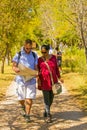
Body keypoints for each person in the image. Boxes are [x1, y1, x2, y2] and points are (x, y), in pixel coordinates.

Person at [12, 39, 38, 123]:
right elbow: (14, 66)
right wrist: (16, 69)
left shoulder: (34, 55)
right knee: (21, 98)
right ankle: (23, 106)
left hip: (31, 79)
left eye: (30, 48)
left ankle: (27, 115)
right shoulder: (18, 54)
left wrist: (36, 73)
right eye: (27, 48)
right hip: (20, 79)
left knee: (29, 98)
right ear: (24, 46)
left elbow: (36, 67)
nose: (28, 50)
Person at [38, 44, 63, 123]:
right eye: (42, 52)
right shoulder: (40, 60)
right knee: (46, 99)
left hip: (53, 82)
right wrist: (37, 78)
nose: (43, 54)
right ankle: (48, 115)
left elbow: (56, 69)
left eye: (44, 52)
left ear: (48, 51)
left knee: (51, 98)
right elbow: (37, 70)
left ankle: (46, 111)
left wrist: (60, 77)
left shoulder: (53, 58)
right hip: (44, 82)